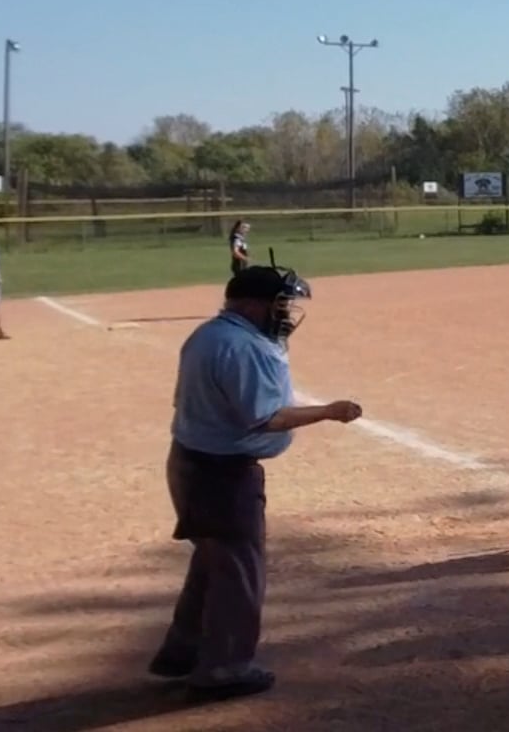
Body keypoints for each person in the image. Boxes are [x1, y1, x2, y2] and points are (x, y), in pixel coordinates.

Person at [151, 263, 363, 701]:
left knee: (213, 560)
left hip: (193, 462)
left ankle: (183, 650)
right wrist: (329, 411)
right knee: (239, 572)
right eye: (279, 304)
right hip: (222, 474)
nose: (284, 313)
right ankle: (223, 670)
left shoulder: (209, 335)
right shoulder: (242, 347)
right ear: (252, 305)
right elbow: (267, 418)